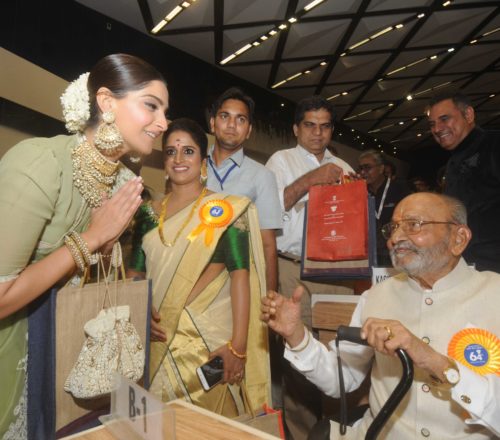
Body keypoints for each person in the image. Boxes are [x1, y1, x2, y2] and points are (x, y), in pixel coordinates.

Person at [0, 53, 168, 439]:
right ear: (107, 102)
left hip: (67, 348)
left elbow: (87, 276)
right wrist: (90, 240)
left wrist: (131, 303)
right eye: (151, 106)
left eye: (165, 111)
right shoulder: (40, 163)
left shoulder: (121, 181)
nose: (162, 123)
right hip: (15, 352)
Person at [261, 192, 500, 439]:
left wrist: (435, 362)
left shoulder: (495, 295)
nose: (395, 238)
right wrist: (297, 336)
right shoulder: (376, 296)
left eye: (413, 224)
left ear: (458, 239)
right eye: (393, 228)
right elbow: (341, 378)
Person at [127, 118, 271, 416]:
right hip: (157, 338)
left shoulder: (223, 209)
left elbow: (240, 276)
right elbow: (135, 275)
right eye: (170, 152)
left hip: (207, 343)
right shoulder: (146, 215)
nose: (178, 159)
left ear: (203, 161)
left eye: (188, 151)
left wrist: (238, 348)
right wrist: (140, 309)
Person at [265, 95, 355, 439]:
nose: (318, 133)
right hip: (294, 269)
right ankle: (302, 435)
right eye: (310, 125)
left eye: (325, 126)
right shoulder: (281, 160)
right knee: (297, 354)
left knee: (341, 355)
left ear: (332, 129)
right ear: (296, 128)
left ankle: (337, 432)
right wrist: (311, 179)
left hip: (338, 274)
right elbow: (272, 211)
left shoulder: (344, 166)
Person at [207, 87, 282, 291]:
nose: (232, 125)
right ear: (213, 123)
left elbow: (268, 245)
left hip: (239, 282)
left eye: (241, 119)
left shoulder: (262, 176)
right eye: (225, 116)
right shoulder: (192, 165)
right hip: (190, 275)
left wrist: (270, 297)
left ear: (248, 131)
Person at [427, 92, 500, 273]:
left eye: (444, 119)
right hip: (467, 264)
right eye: (432, 124)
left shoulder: (494, 143)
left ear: (468, 115)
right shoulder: (452, 162)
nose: (437, 128)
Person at [358, 150, 410, 266]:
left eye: (367, 168)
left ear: (381, 169)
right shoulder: (360, 191)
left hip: (393, 250)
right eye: (360, 168)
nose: (363, 172)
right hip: (367, 251)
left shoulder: (399, 189)